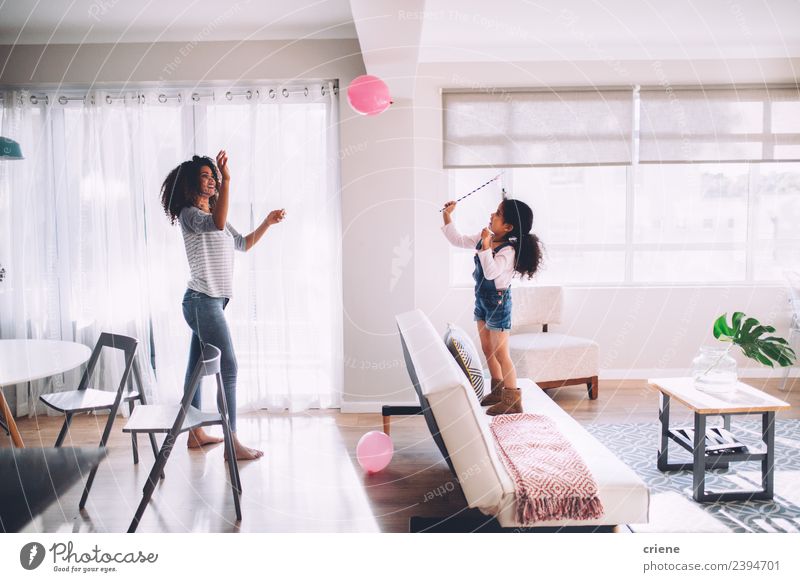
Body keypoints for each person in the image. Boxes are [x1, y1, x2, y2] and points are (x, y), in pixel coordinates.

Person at [160, 151, 285, 460]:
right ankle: (232, 443)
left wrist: (267, 222)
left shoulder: (219, 218)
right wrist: (229, 179)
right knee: (228, 367)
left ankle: (195, 434)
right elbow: (215, 225)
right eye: (206, 175)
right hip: (201, 302)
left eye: (214, 175)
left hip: (210, 303)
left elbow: (242, 243)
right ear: (192, 183)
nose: (213, 179)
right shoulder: (190, 215)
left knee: (195, 371)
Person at [441, 197, 543, 415]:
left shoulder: (508, 251)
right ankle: (496, 390)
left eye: (497, 214)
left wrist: (486, 246)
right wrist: (447, 216)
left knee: (501, 353)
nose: (491, 215)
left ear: (507, 227)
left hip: (499, 303)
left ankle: (512, 399)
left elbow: (491, 273)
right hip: (482, 301)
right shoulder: (483, 238)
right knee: (487, 348)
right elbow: (457, 240)